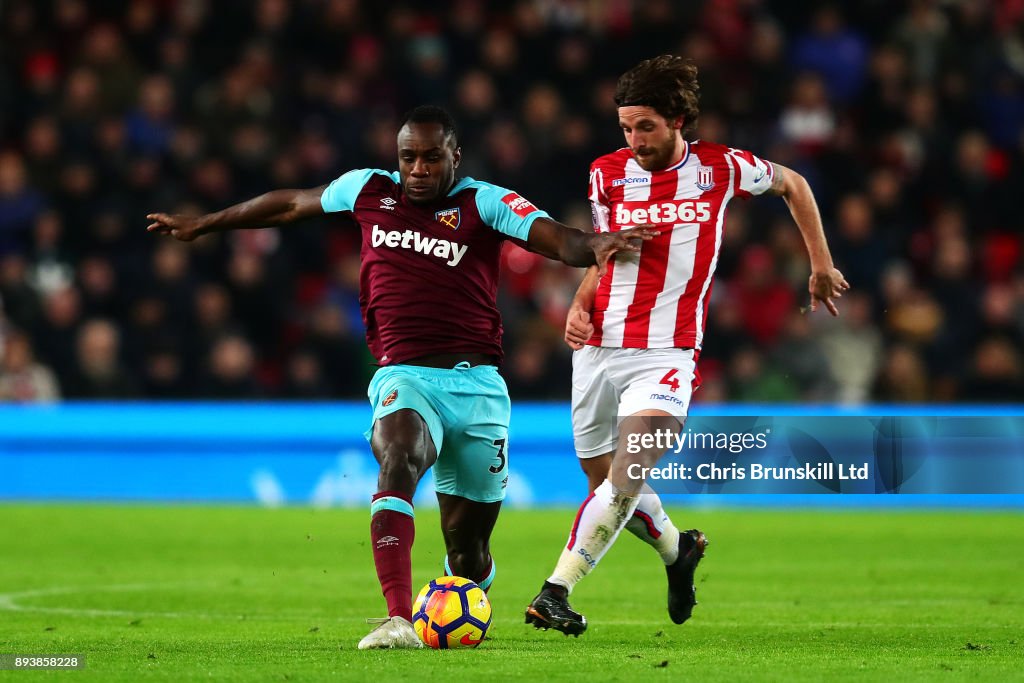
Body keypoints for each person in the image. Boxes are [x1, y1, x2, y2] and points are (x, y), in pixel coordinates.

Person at [147, 105, 654, 649]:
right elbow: (292, 203)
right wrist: (205, 223)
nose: (417, 168)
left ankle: (465, 594)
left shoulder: (483, 202)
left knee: (467, 552)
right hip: (404, 374)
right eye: (408, 157)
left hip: (479, 387)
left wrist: (593, 246)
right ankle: (396, 618)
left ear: (454, 157)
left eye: (431, 158)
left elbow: (553, 238)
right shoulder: (367, 190)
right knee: (399, 456)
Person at [525, 56, 849, 635]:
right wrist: (579, 303)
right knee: (604, 485)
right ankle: (680, 550)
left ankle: (556, 590)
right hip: (597, 348)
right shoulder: (605, 172)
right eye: (626, 128)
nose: (634, 140)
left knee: (625, 476)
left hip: (666, 355)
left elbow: (794, 185)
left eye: (645, 126)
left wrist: (820, 264)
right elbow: (605, 255)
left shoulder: (722, 168)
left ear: (678, 120)